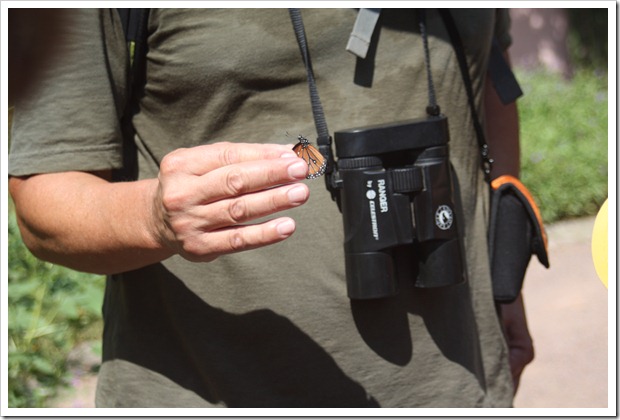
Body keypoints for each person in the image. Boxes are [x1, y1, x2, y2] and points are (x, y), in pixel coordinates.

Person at [9, 8, 533, 407]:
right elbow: (42, 205)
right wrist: (153, 217)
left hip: (460, 391)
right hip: (216, 393)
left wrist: (505, 272)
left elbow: (488, 78)